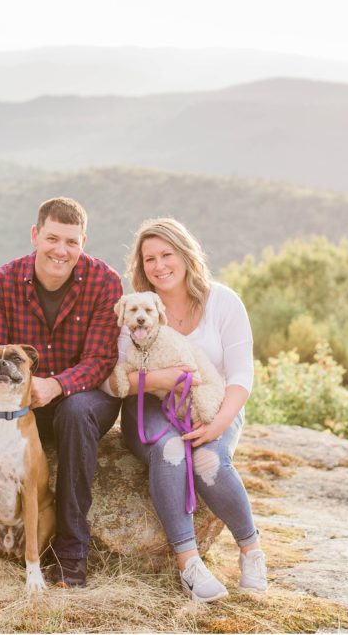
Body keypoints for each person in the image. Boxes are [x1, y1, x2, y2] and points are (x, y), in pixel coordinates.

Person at [0, 196, 123, 588]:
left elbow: (99, 359)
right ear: (35, 235)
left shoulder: (104, 282)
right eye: (52, 238)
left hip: (82, 394)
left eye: (72, 242)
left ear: (84, 241)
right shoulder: (2, 281)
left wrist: (58, 384)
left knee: (75, 413)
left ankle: (71, 551)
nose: (61, 251)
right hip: (21, 396)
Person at [110, 217, 267, 602]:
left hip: (213, 402)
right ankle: (189, 563)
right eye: (149, 259)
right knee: (171, 450)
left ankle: (252, 550)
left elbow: (242, 373)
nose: (159, 266)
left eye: (167, 255)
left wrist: (219, 424)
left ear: (185, 255)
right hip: (148, 407)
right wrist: (161, 379)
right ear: (140, 266)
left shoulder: (224, 302)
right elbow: (113, 378)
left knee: (207, 460)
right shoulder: (135, 311)